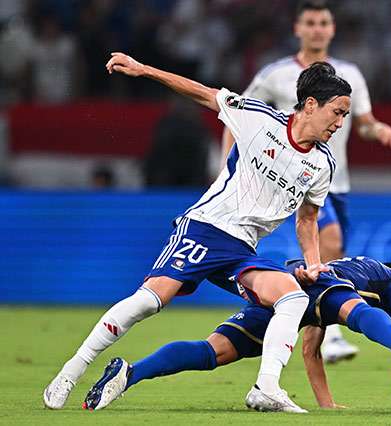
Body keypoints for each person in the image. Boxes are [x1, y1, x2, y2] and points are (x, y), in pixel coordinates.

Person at [43, 54, 352, 413]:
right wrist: (144, 69)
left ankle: (266, 388)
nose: (340, 123)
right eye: (337, 112)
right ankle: (71, 371)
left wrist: (313, 263)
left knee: (293, 297)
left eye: (345, 115)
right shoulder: (259, 118)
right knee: (149, 301)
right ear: (311, 105)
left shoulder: (322, 164)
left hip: (242, 250)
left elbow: (308, 219)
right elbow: (203, 93)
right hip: (206, 228)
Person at [221, 0, 391, 364]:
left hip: (337, 181)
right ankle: (333, 333)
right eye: (311, 22)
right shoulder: (275, 75)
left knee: (335, 251)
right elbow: (237, 116)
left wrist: (378, 129)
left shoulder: (350, 74)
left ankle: (318, 328)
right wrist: (229, 168)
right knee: (329, 238)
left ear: (332, 29)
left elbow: (364, 122)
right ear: (298, 29)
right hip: (296, 175)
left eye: (323, 23)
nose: (317, 29)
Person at [82, 256, 391, 411]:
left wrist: (327, 406)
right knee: (359, 314)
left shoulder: (351, 272)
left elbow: (310, 351)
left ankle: (130, 373)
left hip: (281, 287)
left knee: (213, 351)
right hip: (319, 283)